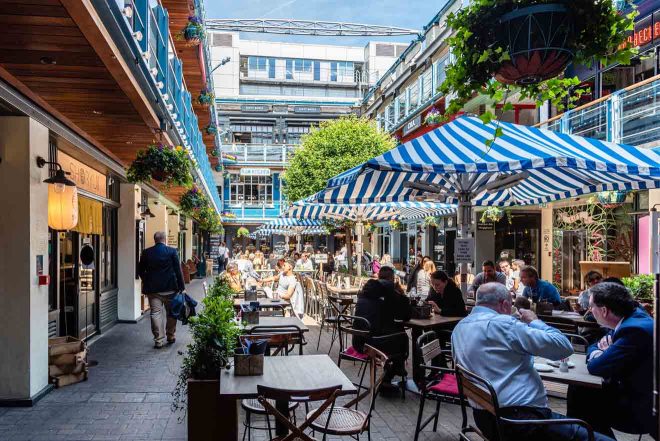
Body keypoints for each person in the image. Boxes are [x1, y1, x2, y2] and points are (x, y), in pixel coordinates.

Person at [452, 283, 614, 441]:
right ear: (504, 304)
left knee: (582, 416)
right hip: (523, 422)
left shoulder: (459, 328)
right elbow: (564, 347)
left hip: (485, 420)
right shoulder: (504, 324)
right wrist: (534, 321)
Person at [568, 282, 656, 439]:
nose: (589, 311)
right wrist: (600, 351)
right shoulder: (631, 318)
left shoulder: (634, 330)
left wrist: (599, 354)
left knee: (581, 395)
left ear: (603, 311)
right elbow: (596, 345)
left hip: (644, 407)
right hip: (639, 393)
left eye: (591, 306)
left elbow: (596, 366)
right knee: (582, 393)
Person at [353, 266, 411, 387]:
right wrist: (399, 292)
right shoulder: (388, 291)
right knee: (402, 336)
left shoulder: (366, 290)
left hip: (359, 341)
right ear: (392, 278)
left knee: (396, 331)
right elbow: (406, 315)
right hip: (374, 343)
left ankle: (394, 370)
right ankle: (392, 372)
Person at [138, 231, 186, 349]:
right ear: (165, 240)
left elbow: (139, 270)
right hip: (171, 289)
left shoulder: (146, 252)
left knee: (155, 314)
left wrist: (147, 279)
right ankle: (170, 336)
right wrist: (182, 287)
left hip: (153, 290)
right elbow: (178, 270)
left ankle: (158, 340)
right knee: (171, 313)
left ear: (155, 240)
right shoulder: (172, 251)